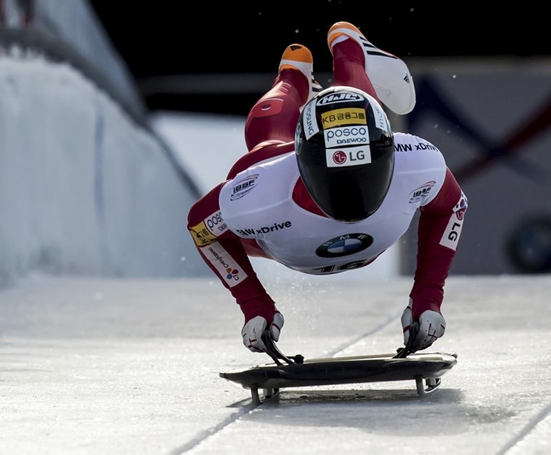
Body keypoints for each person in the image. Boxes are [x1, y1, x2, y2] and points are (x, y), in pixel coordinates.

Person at [187, 21, 468, 355]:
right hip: (277, 183)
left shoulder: (418, 163)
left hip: (288, 226)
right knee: (264, 145)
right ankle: (295, 75)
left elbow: (452, 204)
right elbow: (202, 228)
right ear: (299, 161)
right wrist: (253, 303)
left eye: (366, 174)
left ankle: (345, 51)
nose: (352, 193)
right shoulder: (257, 192)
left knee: (358, 107)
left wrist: (428, 297)